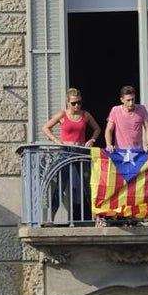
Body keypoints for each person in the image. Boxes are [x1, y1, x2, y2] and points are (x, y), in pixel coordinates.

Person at [40, 87, 100, 225]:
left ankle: (96, 217)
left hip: (81, 151)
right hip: (66, 151)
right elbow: (45, 128)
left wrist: (92, 140)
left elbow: (97, 129)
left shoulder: (85, 115)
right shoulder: (62, 115)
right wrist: (56, 141)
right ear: (68, 102)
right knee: (61, 184)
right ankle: (51, 218)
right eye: (73, 103)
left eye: (79, 102)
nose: (77, 106)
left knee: (88, 184)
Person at [105, 85, 148, 152]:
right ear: (122, 100)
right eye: (128, 100)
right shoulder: (115, 110)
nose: (131, 103)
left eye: (133, 99)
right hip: (120, 152)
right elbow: (109, 130)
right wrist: (108, 144)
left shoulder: (142, 109)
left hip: (137, 152)